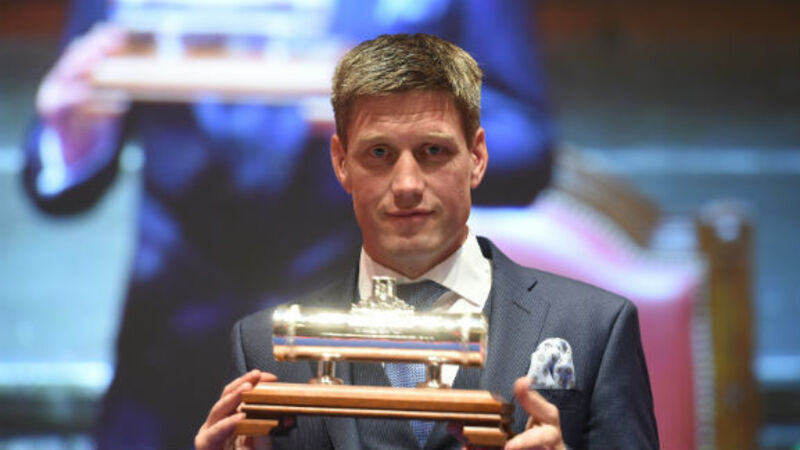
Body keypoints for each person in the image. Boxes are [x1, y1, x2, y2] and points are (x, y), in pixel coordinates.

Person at [22, 1, 555, 446]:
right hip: (166, 365)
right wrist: (72, 134)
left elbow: (525, 145)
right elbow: (61, 157)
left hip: (371, 360)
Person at [196, 33, 659, 450]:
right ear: (341, 163)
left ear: (477, 157)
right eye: (379, 153)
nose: (407, 185)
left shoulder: (594, 328)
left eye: (433, 151)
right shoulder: (262, 346)